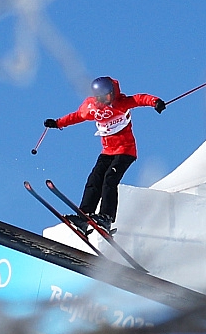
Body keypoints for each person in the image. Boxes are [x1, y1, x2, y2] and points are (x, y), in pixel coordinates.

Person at [44, 76, 165, 230]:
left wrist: (156, 102)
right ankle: (85, 215)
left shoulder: (121, 103)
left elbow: (140, 99)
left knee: (110, 179)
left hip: (126, 151)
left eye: (108, 96)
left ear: (113, 93)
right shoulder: (92, 107)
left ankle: (106, 217)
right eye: (102, 98)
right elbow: (77, 116)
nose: (106, 101)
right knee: (94, 178)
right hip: (107, 151)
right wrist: (57, 123)